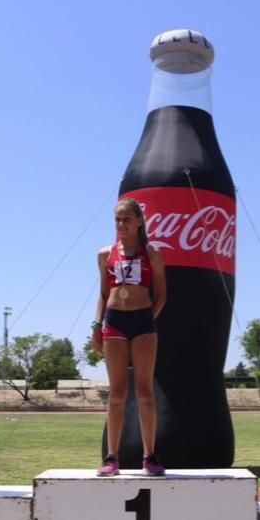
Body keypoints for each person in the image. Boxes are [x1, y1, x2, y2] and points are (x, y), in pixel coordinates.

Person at [91, 197, 167, 476]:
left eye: (126, 219)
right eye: (117, 220)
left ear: (139, 221)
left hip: (143, 322)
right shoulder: (105, 254)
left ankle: (150, 456)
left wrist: (147, 318)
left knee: (145, 392)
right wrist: (96, 325)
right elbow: (102, 293)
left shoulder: (152, 253)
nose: (121, 224)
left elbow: (161, 295)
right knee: (117, 393)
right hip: (114, 323)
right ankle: (112, 457)